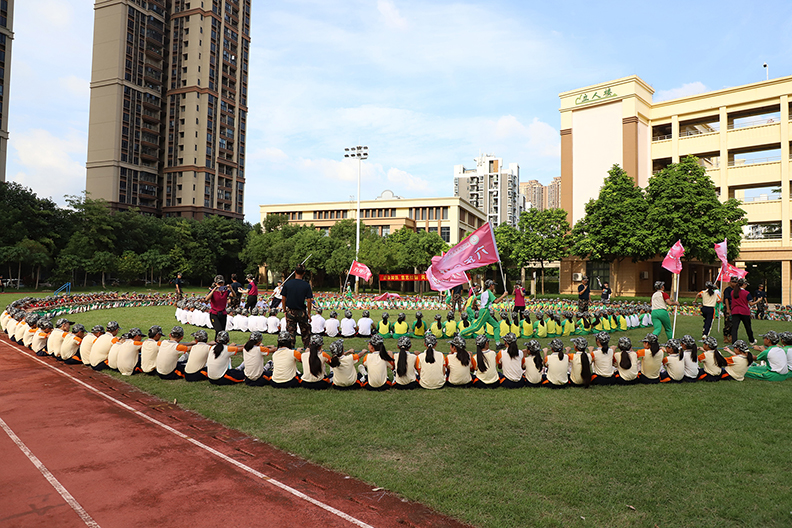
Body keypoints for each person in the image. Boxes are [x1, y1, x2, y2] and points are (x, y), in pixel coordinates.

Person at [281, 264, 313, 349]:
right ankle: (307, 349)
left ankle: (290, 349)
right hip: (302, 311)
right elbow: (309, 300)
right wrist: (309, 313)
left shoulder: (288, 284)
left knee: (291, 332)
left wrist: (284, 310)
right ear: (304, 273)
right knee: (305, 333)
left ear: (295, 272)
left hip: (290, 311)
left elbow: (283, 299)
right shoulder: (306, 285)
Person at [730, 279, 757, 345]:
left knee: (734, 328)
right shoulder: (746, 293)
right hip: (744, 311)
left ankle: (734, 341)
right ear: (744, 284)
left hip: (735, 311)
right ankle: (751, 340)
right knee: (748, 327)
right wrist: (758, 300)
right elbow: (751, 303)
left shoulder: (733, 292)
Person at [722, 277, 737, 343]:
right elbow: (726, 299)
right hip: (729, 307)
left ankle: (731, 336)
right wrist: (728, 309)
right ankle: (725, 337)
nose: (734, 283)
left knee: (733, 323)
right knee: (727, 323)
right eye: (733, 282)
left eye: (735, 282)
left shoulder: (737, 290)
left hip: (735, 307)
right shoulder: (727, 290)